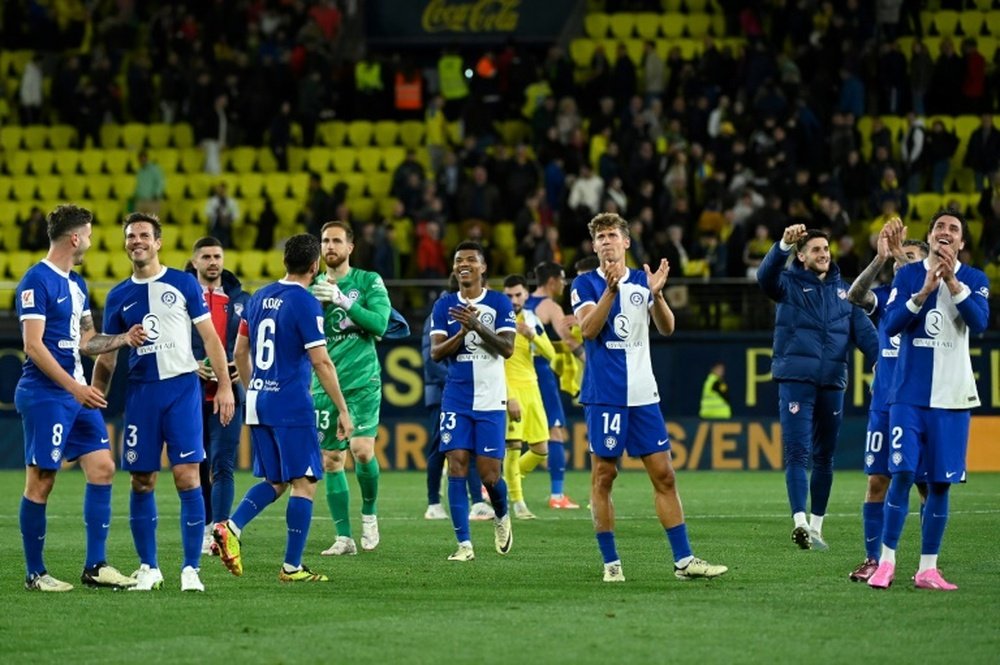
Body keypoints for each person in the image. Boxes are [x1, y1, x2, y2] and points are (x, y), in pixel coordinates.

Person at [570, 212, 727, 583]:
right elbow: (589, 331)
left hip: (643, 394)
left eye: (612, 235)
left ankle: (684, 560)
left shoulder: (643, 280)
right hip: (606, 395)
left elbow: (667, 328)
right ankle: (611, 563)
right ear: (594, 246)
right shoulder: (584, 283)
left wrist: (656, 296)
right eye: (600, 237)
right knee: (605, 475)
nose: (606, 241)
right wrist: (611, 291)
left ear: (626, 242)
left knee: (665, 475)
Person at [93, 212, 236, 592]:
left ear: (158, 242)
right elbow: (107, 353)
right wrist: (95, 396)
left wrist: (224, 386)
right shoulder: (118, 295)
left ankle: (191, 569)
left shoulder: (183, 283)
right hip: (141, 393)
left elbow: (209, 339)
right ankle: (149, 567)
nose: (136, 241)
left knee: (188, 475)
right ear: (125, 244)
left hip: (182, 390)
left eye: (143, 235)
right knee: (142, 480)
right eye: (130, 236)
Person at [15, 204, 146, 592]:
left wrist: (122, 339)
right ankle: (35, 574)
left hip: (74, 393)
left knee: (103, 467)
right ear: (75, 238)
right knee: (41, 480)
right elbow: (33, 346)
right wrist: (76, 388)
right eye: (88, 234)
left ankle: (95, 566)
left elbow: (87, 340)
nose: (90, 240)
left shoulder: (77, 284)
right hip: (45, 394)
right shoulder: (36, 280)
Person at [213, 234, 354, 582]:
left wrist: (254, 387)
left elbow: (239, 353)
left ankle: (230, 527)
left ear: (284, 262)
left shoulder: (259, 296)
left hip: (258, 399)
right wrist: (344, 410)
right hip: (291, 402)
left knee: (276, 480)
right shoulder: (305, 303)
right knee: (305, 481)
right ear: (314, 265)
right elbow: (321, 362)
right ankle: (292, 566)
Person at [868, 211, 990, 591]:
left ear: (962, 243)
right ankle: (886, 563)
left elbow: (980, 322)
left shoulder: (974, 279)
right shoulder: (906, 275)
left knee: (939, 485)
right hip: (908, 394)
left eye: (954, 229)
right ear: (931, 235)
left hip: (952, 398)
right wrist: (922, 291)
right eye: (940, 227)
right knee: (901, 475)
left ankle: (927, 568)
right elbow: (889, 325)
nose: (946, 233)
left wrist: (951, 282)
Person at [757, 224, 879, 551]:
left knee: (825, 456)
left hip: (832, 383)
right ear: (801, 256)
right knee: (797, 452)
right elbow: (764, 277)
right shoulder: (788, 284)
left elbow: (866, 334)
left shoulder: (846, 293)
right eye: (816, 250)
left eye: (826, 249)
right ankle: (799, 521)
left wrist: (882, 361)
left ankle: (816, 527)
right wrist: (781, 243)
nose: (823, 254)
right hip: (796, 379)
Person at [846, 218, 929, 582]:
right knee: (877, 480)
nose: (900, 261)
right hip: (884, 404)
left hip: (924, 403)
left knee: (927, 484)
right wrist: (881, 259)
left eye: (910, 256)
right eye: (900, 257)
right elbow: (854, 295)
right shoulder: (886, 298)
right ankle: (872, 558)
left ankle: (928, 563)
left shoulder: (934, 300)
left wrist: (908, 266)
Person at [430, 241, 516, 561]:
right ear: (455, 269)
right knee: (456, 464)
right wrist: (462, 334)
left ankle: (502, 515)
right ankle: (464, 545)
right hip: (457, 397)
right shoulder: (444, 306)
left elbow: (507, 349)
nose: (464, 264)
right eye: (458, 260)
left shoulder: (499, 303)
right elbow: (436, 353)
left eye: (470, 260)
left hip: (491, 399)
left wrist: (477, 325)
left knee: (490, 475)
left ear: (482, 268)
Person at [310, 221, 391, 556]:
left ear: (350, 247)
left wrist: (343, 301)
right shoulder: (311, 286)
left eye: (336, 241)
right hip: (324, 384)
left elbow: (380, 325)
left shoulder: (368, 281)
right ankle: (344, 538)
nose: (330, 246)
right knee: (331, 459)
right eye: (325, 241)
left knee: (361, 450)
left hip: (362, 382)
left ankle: (369, 514)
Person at [186, 237, 249, 556]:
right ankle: (206, 524)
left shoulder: (242, 300)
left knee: (222, 464)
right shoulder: (180, 298)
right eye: (206, 256)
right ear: (194, 261)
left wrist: (242, 366)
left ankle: (221, 532)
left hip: (229, 394)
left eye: (218, 256)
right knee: (198, 463)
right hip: (190, 393)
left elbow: (254, 344)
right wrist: (188, 362)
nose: (213, 261)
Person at [423, 281, 494, 522]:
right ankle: (433, 502)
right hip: (443, 393)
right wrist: (459, 380)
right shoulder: (441, 311)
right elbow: (431, 358)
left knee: (469, 448)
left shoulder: (468, 312)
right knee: (439, 450)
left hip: (464, 394)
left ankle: (477, 503)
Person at [524, 261, 584, 510]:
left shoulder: (521, 303)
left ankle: (491, 485)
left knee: (515, 436)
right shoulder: (549, 306)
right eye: (562, 280)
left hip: (517, 371)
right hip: (540, 371)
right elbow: (568, 340)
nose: (563, 284)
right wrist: (589, 360)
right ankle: (557, 495)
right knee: (555, 430)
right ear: (551, 281)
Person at [502, 274, 556, 520]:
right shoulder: (498, 320)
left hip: (532, 389)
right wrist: (508, 395)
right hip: (509, 389)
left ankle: (505, 482)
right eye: (509, 295)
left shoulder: (532, 319)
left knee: (541, 449)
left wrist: (531, 334)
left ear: (526, 294)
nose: (514, 299)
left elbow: (551, 354)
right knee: (513, 448)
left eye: (518, 294)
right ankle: (517, 502)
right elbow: (496, 362)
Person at [204, 182, 240, 249]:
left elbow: (236, 215)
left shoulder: (231, 202)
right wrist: (217, 212)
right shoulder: (211, 201)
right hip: (215, 227)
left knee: (225, 246)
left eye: (223, 189)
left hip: (227, 228)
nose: (221, 191)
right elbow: (208, 213)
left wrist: (228, 218)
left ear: (226, 190)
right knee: (214, 245)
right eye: (219, 189)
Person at [133, 149, 165, 216]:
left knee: (152, 222)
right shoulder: (139, 171)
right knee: (139, 222)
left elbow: (160, 181)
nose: (142, 160)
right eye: (140, 159)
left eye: (143, 158)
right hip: (140, 200)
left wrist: (157, 193)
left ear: (147, 158)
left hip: (152, 200)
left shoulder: (154, 169)